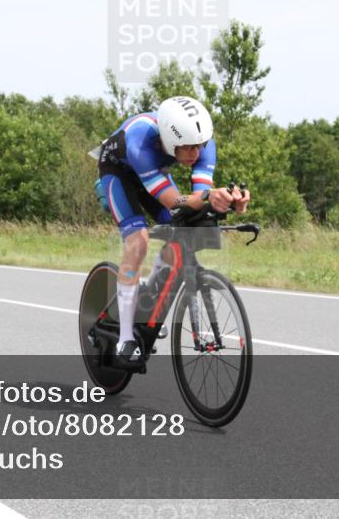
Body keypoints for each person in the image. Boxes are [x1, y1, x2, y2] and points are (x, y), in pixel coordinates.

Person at [94, 96, 250, 366]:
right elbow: (171, 200)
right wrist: (206, 198)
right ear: (168, 140)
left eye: (199, 146)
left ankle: (150, 292)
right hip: (118, 172)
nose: (195, 154)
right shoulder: (141, 141)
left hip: (152, 172)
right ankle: (125, 339)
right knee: (138, 241)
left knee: (183, 225)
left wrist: (230, 201)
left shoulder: (203, 143)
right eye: (187, 147)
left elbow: (200, 197)